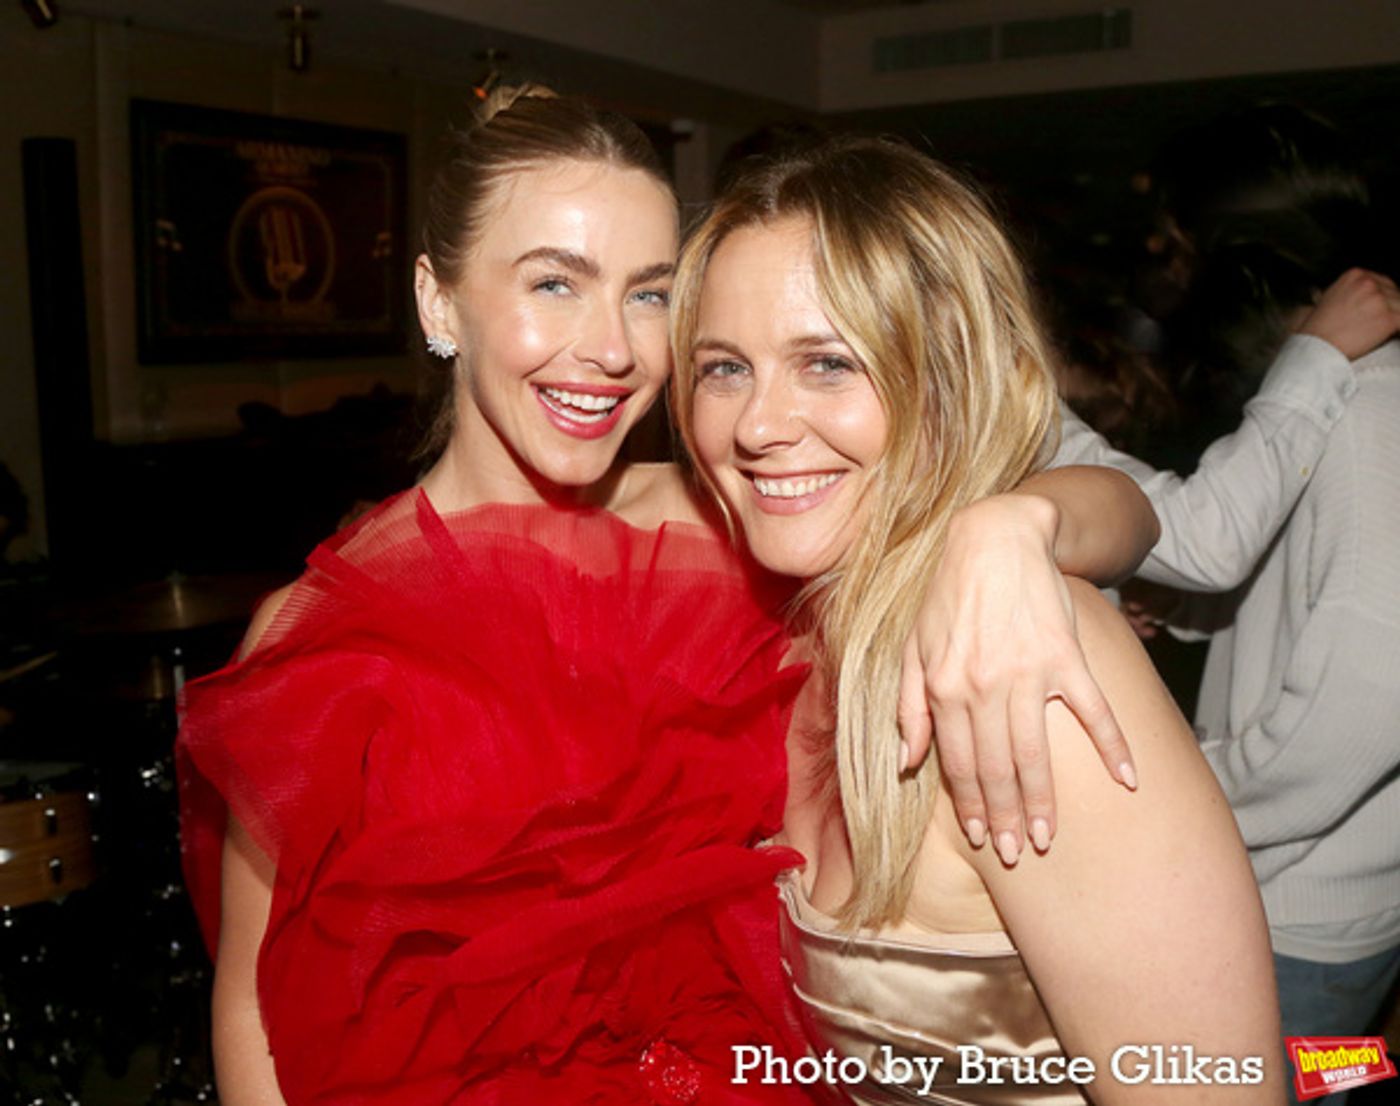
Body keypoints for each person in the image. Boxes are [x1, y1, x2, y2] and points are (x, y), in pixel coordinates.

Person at [177, 89, 1156, 1104]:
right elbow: (257, 1004)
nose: (612, 348)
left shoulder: (734, 519)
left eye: (648, 294)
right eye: (554, 283)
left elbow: (1133, 507)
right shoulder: (317, 632)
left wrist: (1010, 526)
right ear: (437, 299)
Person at [672, 134, 1285, 1103]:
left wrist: (1023, 520)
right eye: (722, 368)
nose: (755, 424)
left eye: (827, 362)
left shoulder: (1025, 669)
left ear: (947, 379)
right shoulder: (789, 626)